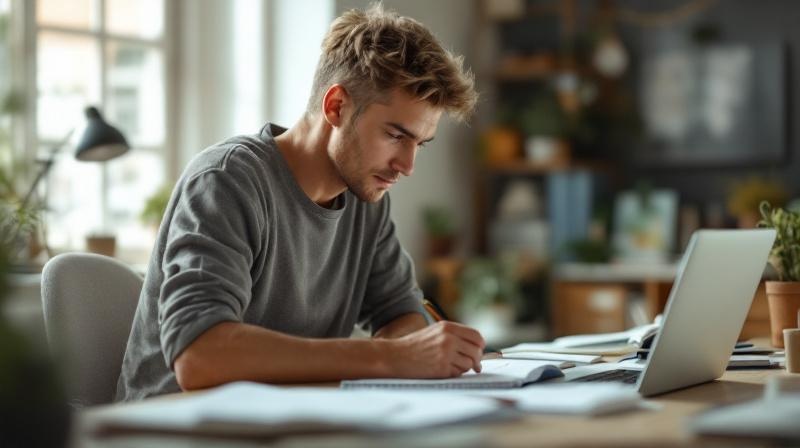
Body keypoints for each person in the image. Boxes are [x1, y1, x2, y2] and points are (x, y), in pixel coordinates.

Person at [116, 4, 483, 401]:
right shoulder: (226, 180)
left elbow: (403, 314)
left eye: (420, 144)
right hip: (170, 427)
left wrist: (412, 351)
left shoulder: (366, 197)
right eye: (396, 135)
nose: (407, 166)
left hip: (291, 421)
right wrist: (388, 356)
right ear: (336, 106)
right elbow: (199, 357)